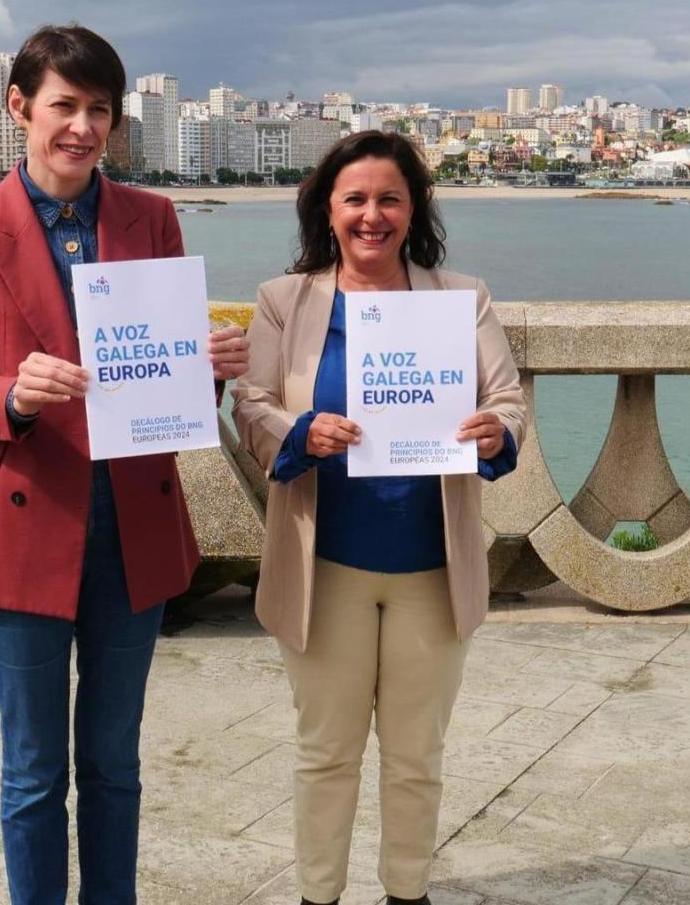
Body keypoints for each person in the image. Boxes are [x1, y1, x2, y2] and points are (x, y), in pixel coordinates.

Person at [0, 23, 248, 905]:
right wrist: (16, 396)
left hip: (132, 526)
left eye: (99, 110)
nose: (82, 127)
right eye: (64, 106)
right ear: (19, 106)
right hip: (24, 524)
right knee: (33, 773)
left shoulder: (152, 215)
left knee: (114, 763)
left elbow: (170, 389)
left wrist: (207, 369)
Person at [233, 131, 524, 905]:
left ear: (413, 208)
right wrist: (300, 432)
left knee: (416, 754)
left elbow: (508, 402)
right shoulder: (282, 300)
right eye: (354, 198)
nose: (372, 215)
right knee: (325, 752)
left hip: (432, 566)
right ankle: (317, 896)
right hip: (324, 566)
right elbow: (251, 404)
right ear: (326, 210)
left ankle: (408, 894)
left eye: (389, 198)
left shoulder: (462, 299)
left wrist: (498, 430)